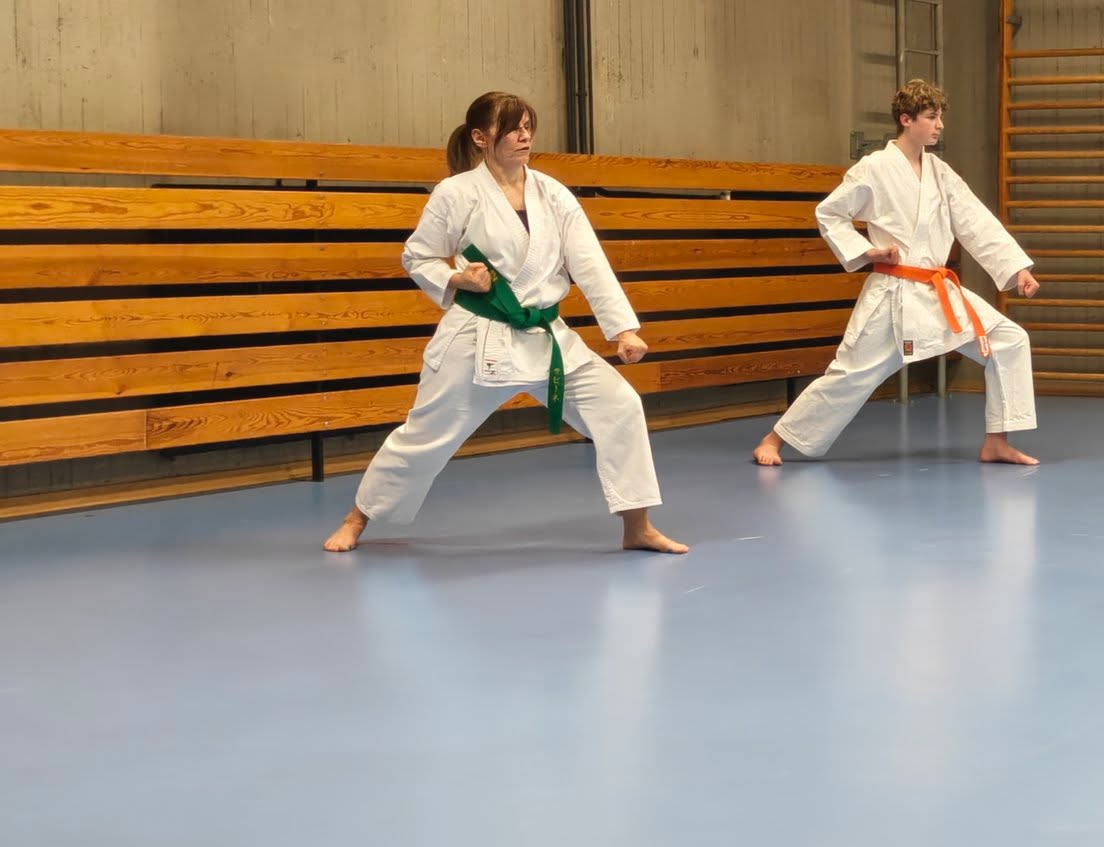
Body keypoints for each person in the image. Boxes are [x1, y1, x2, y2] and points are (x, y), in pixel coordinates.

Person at [323, 92, 684, 554]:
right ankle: (357, 518)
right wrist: (458, 277)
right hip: (478, 337)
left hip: (546, 336)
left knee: (621, 406)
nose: (524, 135)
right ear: (480, 137)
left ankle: (637, 526)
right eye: (512, 127)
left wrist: (621, 329)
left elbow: (589, 262)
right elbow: (417, 255)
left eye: (528, 126)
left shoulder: (553, 193)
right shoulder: (456, 193)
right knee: (425, 437)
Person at [753, 80, 1043, 466]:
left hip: (937, 292)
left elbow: (975, 220)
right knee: (850, 376)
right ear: (906, 120)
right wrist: (867, 250)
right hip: (893, 295)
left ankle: (997, 441)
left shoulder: (940, 172)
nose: (939, 125)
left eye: (941, 117)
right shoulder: (874, 168)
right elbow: (830, 213)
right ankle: (773, 440)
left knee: (1009, 340)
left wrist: (1016, 267)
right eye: (931, 117)